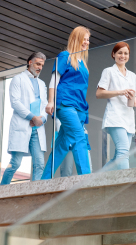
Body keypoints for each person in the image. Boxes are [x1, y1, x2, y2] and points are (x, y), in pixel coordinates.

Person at [41, 26, 91, 179]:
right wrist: (51, 101)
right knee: (79, 137)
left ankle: (44, 180)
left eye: (88, 40)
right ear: (76, 38)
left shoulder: (82, 62)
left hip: (80, 107)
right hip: (66, 104)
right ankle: (86, 179)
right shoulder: (65, 56)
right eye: (84, 39)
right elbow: (54, 80)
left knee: (62, 144)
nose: (87, 42)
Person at [1, 52, 49, 183]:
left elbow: (45, 104)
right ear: (30, 62)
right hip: (23, 123)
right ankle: (1, 188)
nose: (40, 67)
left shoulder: (42, 83)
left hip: (37, 128)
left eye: (42, 65)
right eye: (38, 64)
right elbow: (15, 102)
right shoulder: (18, 79)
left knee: (39, 164)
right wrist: (33, 117)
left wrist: (42, 119)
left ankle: (35, 193)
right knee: (15, 163)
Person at [96, 42, 136, 171]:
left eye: (126, 53)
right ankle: (126, 182)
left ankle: (95, 179)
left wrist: (133, 99)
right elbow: (99, 93)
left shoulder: (132, 75)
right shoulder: (108, 71)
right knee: (123, 153)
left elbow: (135, 101)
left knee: (119, 156)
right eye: (120, 53)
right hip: (115, 117)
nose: (122, 56)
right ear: (113, 54)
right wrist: (120, 92)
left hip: (129, 119)